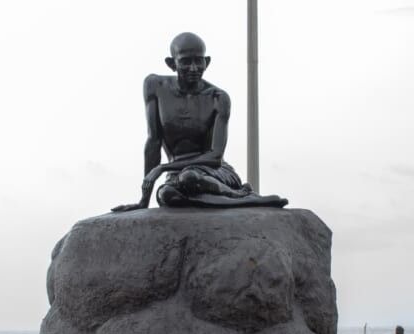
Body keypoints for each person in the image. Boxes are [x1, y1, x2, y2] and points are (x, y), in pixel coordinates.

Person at [113, 32, 288, 212]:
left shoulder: (218, 98)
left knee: (189, 177)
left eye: (199, 61)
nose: (194, 68)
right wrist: (143, 201)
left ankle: (238, 195)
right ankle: (245, 199)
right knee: (166, 195)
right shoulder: (155, 86)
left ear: (207, 62)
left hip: (215, 172)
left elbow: (215, 157)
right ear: (172, 63)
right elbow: (153, 141)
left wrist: (163, 167)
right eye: (186, 61)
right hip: (178, 174)